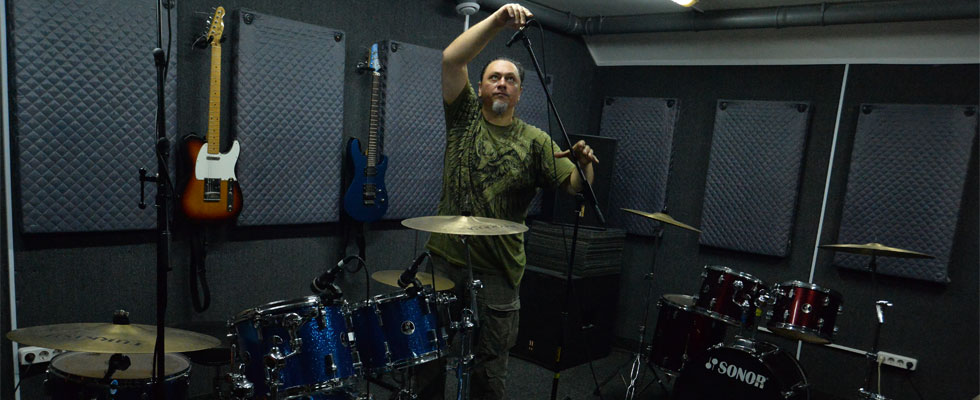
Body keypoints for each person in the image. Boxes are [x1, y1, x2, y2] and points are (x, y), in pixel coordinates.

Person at [417, 4, 599, 399]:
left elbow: (574, 186)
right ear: (480, 87)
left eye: (510, 79)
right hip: (444, 260)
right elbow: (451, 59)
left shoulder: (535, 141)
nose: (501, 83)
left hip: (499, 271)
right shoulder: (463, 116)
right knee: (427, 359)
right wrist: (499, 20)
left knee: (490, 369)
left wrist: (584, 165)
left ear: (519, 92)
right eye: (494, 77)